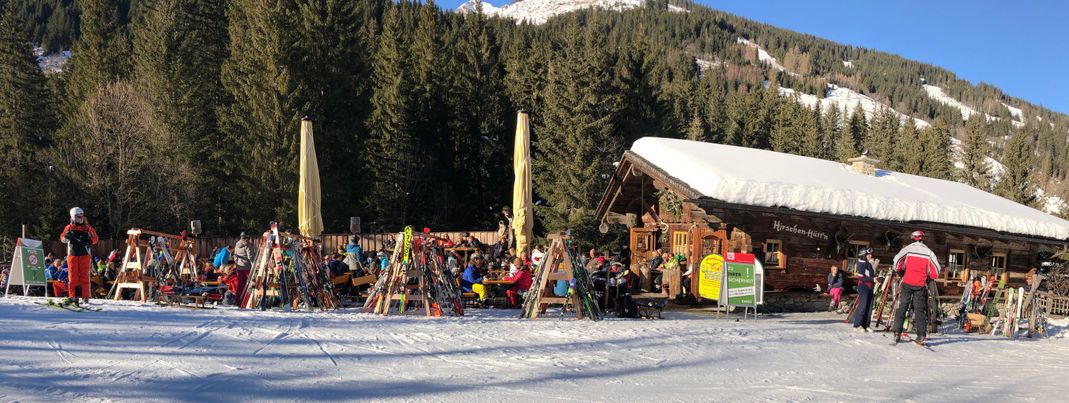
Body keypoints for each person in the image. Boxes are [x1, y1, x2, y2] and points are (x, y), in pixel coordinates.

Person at [890, 230, 941, 345]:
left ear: (913, 238)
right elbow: (936, 271)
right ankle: (921, 335)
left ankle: (897, 332)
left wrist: (900, 271)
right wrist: (929, 277)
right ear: (923, 239)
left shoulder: (907, 249)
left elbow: (896, 261)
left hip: (907, 282)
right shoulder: (929, 252)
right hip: (920, 284)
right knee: (919, 310)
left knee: (902, 306)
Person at [60, 207, 99, 304]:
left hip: (84, 254)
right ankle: (73, 296)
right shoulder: (68, 227)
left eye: (82, 216)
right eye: (78, 216)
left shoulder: (87, 227)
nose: (80, 218)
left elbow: (96, 238)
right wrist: (66, 237)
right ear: (73, 217)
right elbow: (62, 238)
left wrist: (89, 241)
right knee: (73, 277)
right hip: (72, 255)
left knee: (85, 276)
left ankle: (85, 297)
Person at [851, 248, 877, 331]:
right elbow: (861, 277)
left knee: (869, 307)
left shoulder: (868, 264)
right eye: (868, 254)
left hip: (870, 287)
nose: (870, 256)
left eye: (871, 254)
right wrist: (872, 279)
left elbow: (870, 275)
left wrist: (876, 278)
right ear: (863, 255)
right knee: (863, 305)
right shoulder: (861, 264)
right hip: (863, 287)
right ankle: (857, 325)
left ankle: (865, 325)